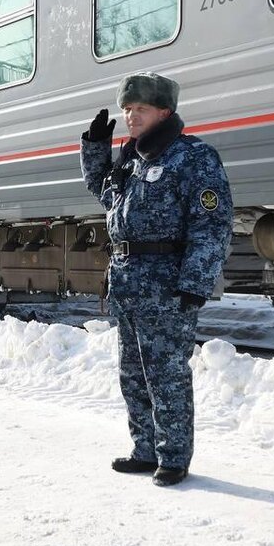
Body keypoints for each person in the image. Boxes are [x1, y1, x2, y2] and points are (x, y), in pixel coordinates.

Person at [79, 72, 232, 487]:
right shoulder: (130, 158)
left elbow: (212, 224)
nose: (130, 117)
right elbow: (104, 193)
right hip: (128, 283)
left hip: (166, 285)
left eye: (140, 109)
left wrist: (195, 284)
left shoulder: (193, 157)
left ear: (164, 111)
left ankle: (174, 456)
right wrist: (95, 149)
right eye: (127, 109)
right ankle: (145, 450)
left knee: (166, 374)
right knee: (133, 372)